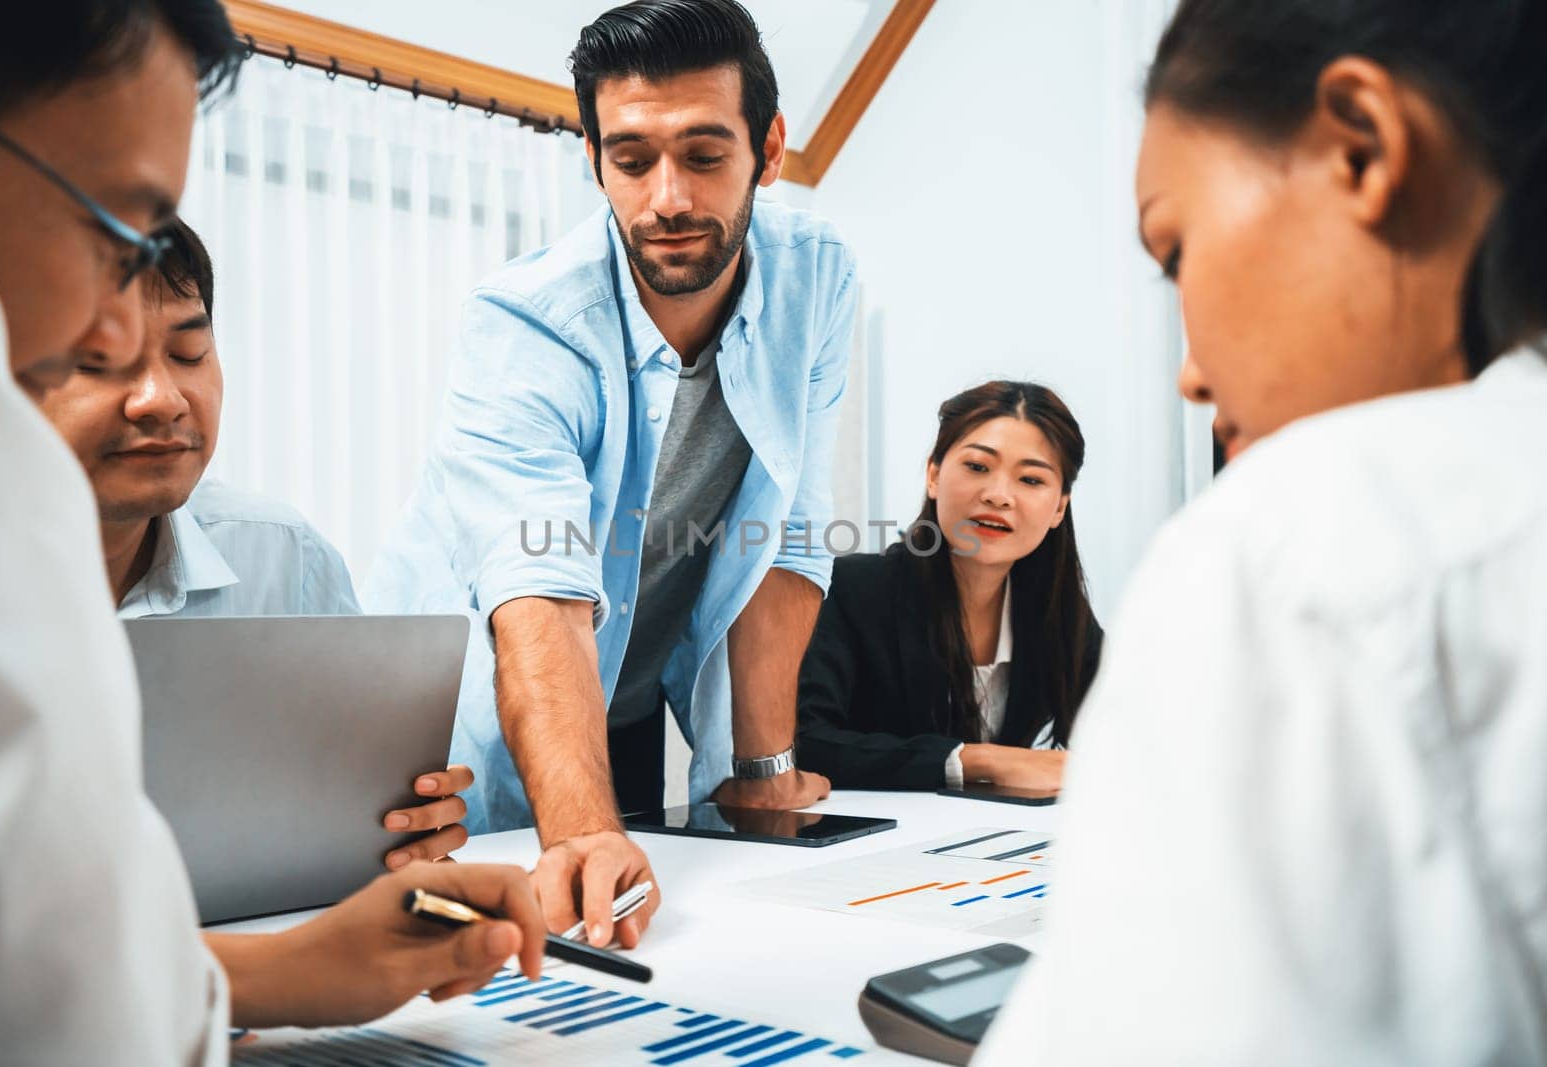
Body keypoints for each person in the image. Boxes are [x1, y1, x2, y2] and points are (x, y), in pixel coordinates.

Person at [0, 4, 545, 1062]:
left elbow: (33, 956)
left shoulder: (281, 551)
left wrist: (318, 951)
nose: (124, 345)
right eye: (113, 228)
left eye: (187, 347)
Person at [977, 0, 1547, 1061]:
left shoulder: (1302, 544)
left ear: (1361, 149)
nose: (1190, 372)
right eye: (975, 468)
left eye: (1175, 248)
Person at [366, 0, 856, 948]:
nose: (666, 197)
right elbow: (536, 589)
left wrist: (762, 773)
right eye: (631, 160)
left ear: (772, 147)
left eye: (705, 155)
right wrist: (585, 829)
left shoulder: (818, 278)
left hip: (624, 690)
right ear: (593, 158)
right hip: (469, 724)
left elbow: (784, 529)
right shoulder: (525, 323)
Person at [35, 215, 472, 870]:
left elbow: (359, 820)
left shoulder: (282, 557)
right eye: (99, 360)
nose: (163, 399)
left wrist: (401, 830)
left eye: (188, 354)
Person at [797, 381, 1102, 793]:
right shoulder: (851, 590)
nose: (998, 496)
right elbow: (807, 743)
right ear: (934, 475)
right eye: (977, 467)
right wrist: (979, 760)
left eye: (1030, 480)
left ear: (1059, 507)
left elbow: (1131, 735)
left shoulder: (1060, 614)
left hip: (990, 846)